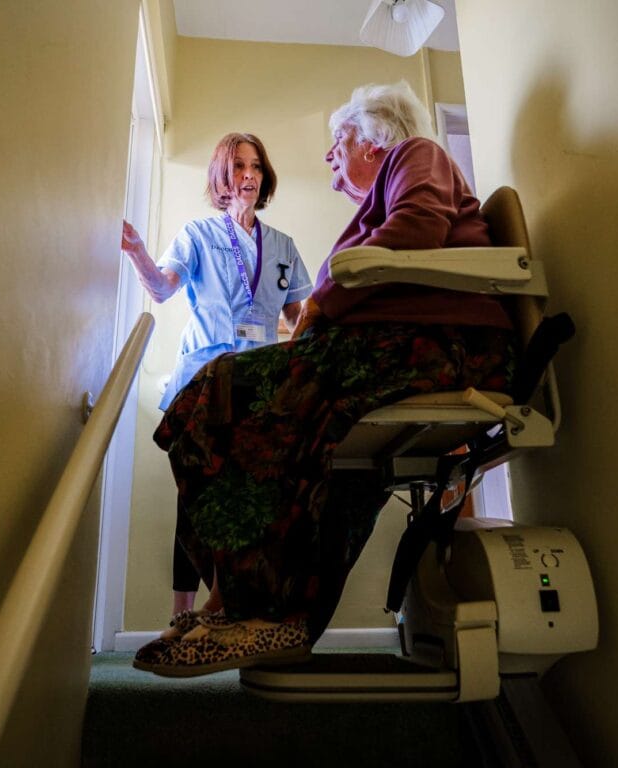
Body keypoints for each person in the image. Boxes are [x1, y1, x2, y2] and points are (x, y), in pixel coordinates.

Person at [132, 81, 518, 677]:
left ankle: (247, 606)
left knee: (218, 394)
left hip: (442, 346)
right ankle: (259, 611)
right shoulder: (368, 199)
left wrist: (321, 305)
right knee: (221, 409)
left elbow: (414, 233)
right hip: (395, 350)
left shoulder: (415, 154)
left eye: (338, 142)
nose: (328, 157)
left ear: (372, 137)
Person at [121, 133, 312, 634]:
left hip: (260, 389)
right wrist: (139, 251)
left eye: (256, 167)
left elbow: (301, 320)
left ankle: (244, 614)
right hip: (204, 385)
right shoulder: (199, 234)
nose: (249, 175)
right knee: (196, 504)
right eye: (238, 167)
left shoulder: (285, 248)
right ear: (222, 178)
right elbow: (163, 289)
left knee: (256, 503)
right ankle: (182, 618)